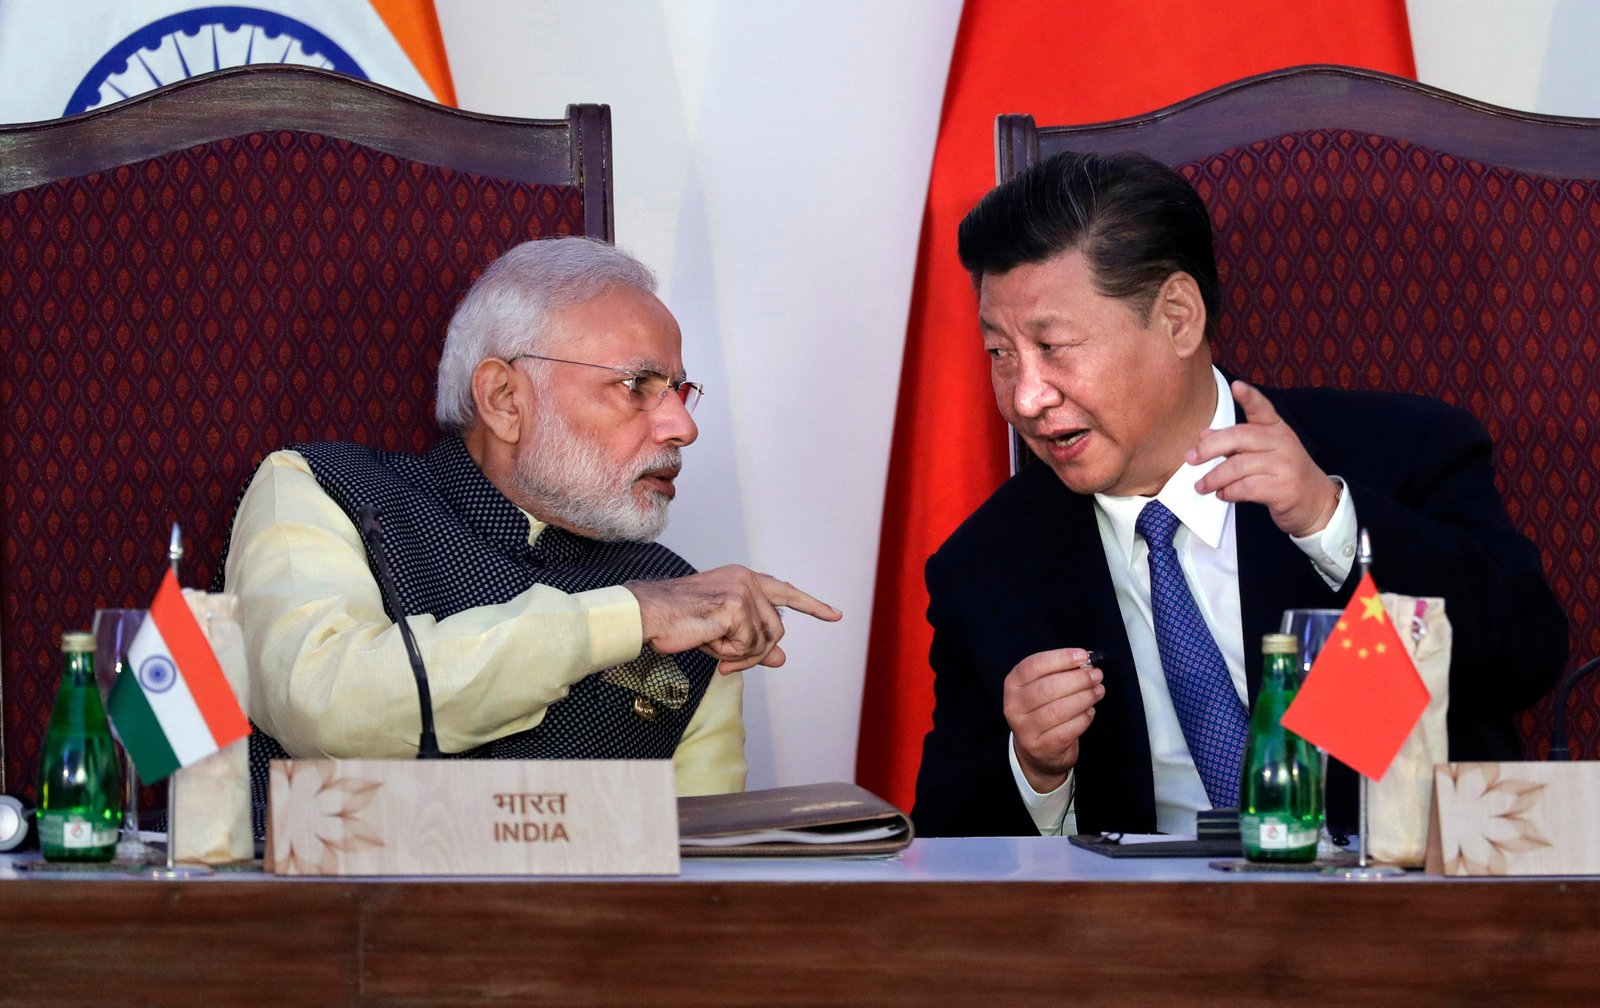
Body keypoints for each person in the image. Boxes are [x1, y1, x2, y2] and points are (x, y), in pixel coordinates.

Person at [911, 151, 1567, 838]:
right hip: (1135, 936)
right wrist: (1034, 767)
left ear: (1177, 317)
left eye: (1053, 346)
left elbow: (1524, 660)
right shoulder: (987, 566)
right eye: (1000, 353)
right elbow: (945, 849)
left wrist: (1330, 522)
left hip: (1389, 918)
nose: (1026, 397)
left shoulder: (1397, 454)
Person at [224, 236, 841, 809]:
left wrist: (653, 604)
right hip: (325, 919)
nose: (683, 427)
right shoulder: (322, 487)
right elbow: (326, 707)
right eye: (638, 386)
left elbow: (701, 876)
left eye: (679, 390)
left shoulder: (687, 601)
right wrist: (629, 616)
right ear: (505, 400)